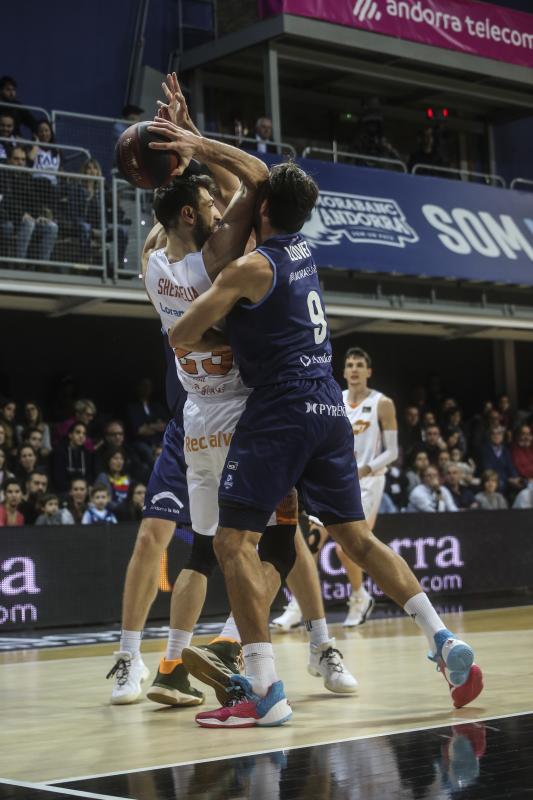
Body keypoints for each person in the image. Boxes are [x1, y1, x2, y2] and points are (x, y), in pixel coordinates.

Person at [165, 133, 482, 725]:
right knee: (356, 540)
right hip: (329, 406)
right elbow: (258, 179)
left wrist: (220, 335)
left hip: (279, 409)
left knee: (233, 543)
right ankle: (442, 639)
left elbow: (180, 334)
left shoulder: (247, 268)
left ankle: (263, 690)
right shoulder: (304, 252)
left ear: (260, 211)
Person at [273, 346, 399, 629]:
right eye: (349, 364)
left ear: (369, 372)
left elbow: (392, 451)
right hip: (335, 480)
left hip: (368, 481)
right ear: (342, 372)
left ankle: (359, 596)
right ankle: (298, 606)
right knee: (312, 545)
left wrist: (364, 468)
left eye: (359, 365)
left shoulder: (383, 403)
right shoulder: (335, 399)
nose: (354, 369)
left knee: (347, 548)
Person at [0, 146, 59, 261]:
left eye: (23, 160)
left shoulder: (26, 177)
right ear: (9, 160)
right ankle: (20, 263)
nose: (20, 163)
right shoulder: (2, 175)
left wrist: (39, 215)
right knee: (28, 223)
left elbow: (33, 200)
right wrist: (21, 214)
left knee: (52, 227)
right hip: (7, 218)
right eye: (16, 159)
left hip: (25, 219)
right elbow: (3, 199)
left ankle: (43, 265)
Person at [52, 421, 94, 493]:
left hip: (83, 491)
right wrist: (73, 490)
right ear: (70, 435)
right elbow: (58, 479)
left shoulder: (88, 454)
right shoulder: (59, 453)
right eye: (78, 432)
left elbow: (90, 476)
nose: (81, 436)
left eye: (84, 433)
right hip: (64, 491)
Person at [479, 426, 521, 496]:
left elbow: (510, 466)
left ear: (502, 436)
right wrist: (508, 479)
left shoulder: (506, 450)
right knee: (501, 484)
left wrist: (515, 477)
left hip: (507, 479)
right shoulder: (484, 450)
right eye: (494, 434)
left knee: (521, 484)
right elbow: (488, 469)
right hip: (493, 479)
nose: (496, 436)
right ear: (490, 436)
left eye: (499, 434)